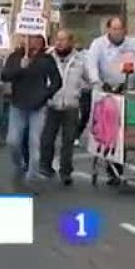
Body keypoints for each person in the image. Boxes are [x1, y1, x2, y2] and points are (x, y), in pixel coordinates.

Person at [86, 17, 135, 179]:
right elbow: (91, 64)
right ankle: (114, 170)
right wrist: (96, 81)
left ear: (125, 30)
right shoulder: (98, 44)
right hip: (107, 91)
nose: (117, 32)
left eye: (120, 29)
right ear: (108, 30)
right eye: (114, 29)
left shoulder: (134, 44)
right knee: (112, 132)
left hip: (130, 91)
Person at [1, 34, 62, 187]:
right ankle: (19, 164)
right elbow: (5, 76)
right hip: (18, 104)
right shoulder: (16, 56)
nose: (33, 41)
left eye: (37, 38)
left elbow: (57, 81)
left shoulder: (46, 59)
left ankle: (32, 177)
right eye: (30, 38)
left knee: (35, 142)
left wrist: (46, 94)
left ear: (42, 41)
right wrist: (20, 67)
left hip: (38, 107)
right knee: (13, 141)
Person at [39, 29, 87, 186]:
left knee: (68, 141)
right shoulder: (47, 57)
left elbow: (90, 79)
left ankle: (66, 171)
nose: (59, 42)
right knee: (47, 138)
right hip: (52, 104)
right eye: (57, 39)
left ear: (70, 41)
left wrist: (82, 90)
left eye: (63, 39)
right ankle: (45, 167)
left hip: (71, 105)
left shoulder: (80, 59)